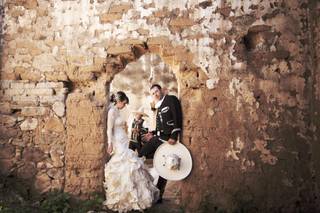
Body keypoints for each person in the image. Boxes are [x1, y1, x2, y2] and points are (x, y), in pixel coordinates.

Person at [103, 91, 159, 212]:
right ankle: (124, 197)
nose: (124, 106)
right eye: (124, 103)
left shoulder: (117, 111)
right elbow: (109, 129)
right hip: (117, 141)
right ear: (119, 101)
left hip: (123, 139)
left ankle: (135, 195)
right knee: (124, 163)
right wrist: (110, 143)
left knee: (130, 163)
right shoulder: (112, 111)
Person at [139, 84, 182, 203]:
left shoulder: (170, 99)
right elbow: (162, 126)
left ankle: (159, 194)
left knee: (165, 168)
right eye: (152, 93)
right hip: (157, 139)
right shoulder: (159, 105)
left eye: (156, 91)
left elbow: (177, 118)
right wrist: (151, 133)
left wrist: (174, 135)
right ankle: (141, 188)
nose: (155, 94)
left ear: (161, 90)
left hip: (168, 141)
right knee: (140, 155)